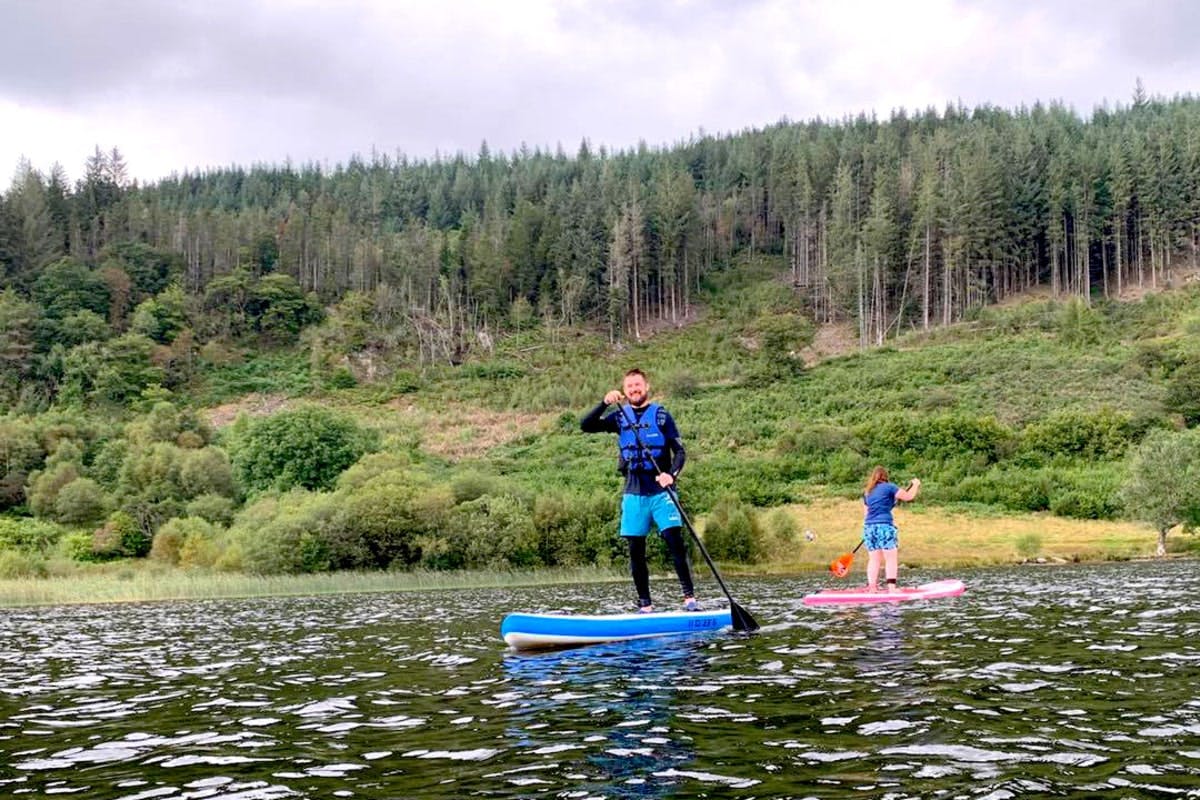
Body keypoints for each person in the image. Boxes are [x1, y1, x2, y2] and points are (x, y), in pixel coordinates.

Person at [581, 368, 698, 613]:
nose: (634, 389)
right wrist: (604, 403)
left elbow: (680, 452)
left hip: (661, 490)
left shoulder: (662, 416)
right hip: (633, 492)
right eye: (630, 386)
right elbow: (586, 425)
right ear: (625, 391)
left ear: (646, 387)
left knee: (674, 542)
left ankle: (689, 599)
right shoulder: (619, 417)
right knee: (636, 550)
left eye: (638, 385)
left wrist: (671, 474)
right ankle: (645, 605)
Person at [862, 466, 920, 593]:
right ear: (885, 477)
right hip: (885, 526)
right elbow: (909, 496)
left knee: (874, 559)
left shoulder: (867, 492)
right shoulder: (889, 487)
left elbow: (866, 514)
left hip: (869, 527)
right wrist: (915, 484)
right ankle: (892, 588)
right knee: (891, 558)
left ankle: (872, 588)